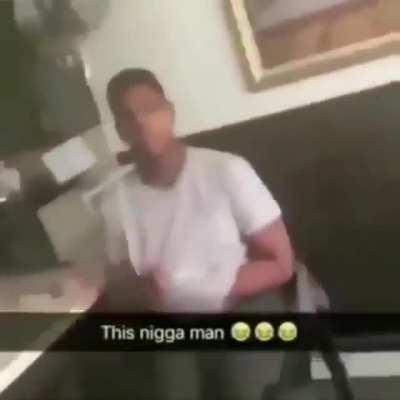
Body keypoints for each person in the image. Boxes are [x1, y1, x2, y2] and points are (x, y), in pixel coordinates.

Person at [97, 68, 295, 399]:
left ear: (170, 112)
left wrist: (210, 291)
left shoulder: (226, 170)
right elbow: (118, 286)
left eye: (149, 108)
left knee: (239, 386)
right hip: (172, 322)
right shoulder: (114, 200)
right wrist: (143, 292)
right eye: (129, 117)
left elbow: (281, 263)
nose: (142, 122)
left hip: (242, 305)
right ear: (120, 130)